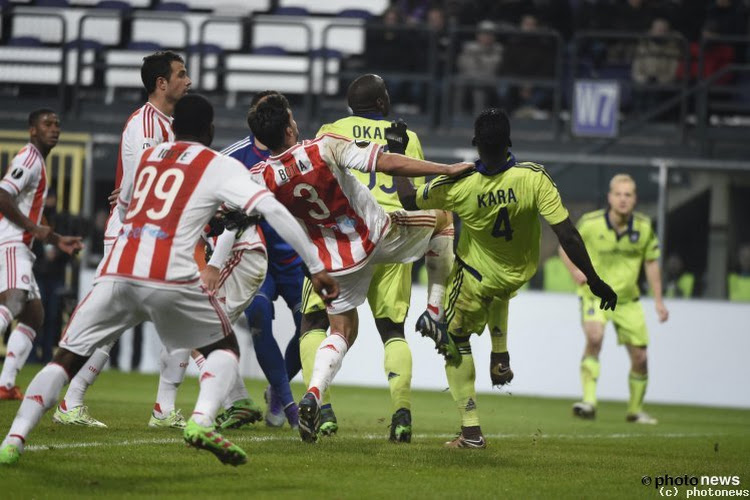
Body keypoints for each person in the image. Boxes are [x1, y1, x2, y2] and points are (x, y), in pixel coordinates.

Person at [0, 94, 337, 466]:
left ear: (173, 127)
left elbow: (123, 204)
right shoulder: (217, 164)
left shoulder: (148, 158)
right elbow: (270, 208)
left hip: (118, 269)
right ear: (209, 129)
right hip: (170, 275)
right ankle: (200, 420)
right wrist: (316, 264)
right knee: (224, 349)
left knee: (62, 360)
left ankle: (14, 439)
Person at [246, 94, 471, 443]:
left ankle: (314, 395)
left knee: (340, 330)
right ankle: (434, 310)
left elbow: (238, 205)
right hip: (379, 236)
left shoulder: (260, 175)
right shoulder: (324, 146)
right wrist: (447, 169)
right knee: (443, 220)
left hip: (334, 261)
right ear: (290, 127)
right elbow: (389, 165)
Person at [395, 108, 617, 448]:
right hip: (519, 273)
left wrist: (397, 154)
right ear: (510, 141)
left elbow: (409, 200)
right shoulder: (534, 178)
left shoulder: (461, 185)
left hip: (476, 276)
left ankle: (470, 432)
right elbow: (568, 235)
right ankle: (500, 355)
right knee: (498, 290)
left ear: (475, 144)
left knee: (453, 340)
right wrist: (594, 279)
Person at [297, 74, 454, 442]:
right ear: (383, 103)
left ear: (352, 106)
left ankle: (324, 411)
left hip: (342, 241)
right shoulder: (407, 136)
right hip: (393, 236)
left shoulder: (332, 129)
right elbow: (411, 192)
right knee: (392, 332)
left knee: (314, 324)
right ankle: (401, 416)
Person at [52, 51, 195, 429]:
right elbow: (140, 193)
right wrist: (131, 195)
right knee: (107, 323)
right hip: (131, 236)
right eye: (181, 75)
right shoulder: (145, 124)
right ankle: (68, 400)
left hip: (154, 236)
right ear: (161, 83)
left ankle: (163, 410)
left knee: (179, 318)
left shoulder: (171, 123)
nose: (188, 81)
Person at [209, 90, 304, 430]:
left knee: (309, 324)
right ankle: (289, 404)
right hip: (256, 253)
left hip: (294, 256)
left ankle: (277, 394)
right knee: (261, 316)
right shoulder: (233, 158)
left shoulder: (301, 152)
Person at [560, 173, 669, 424]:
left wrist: (659, 301)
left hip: (627, 301)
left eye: (627, 195)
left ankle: (635, 410)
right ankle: (588, 402)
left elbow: (651, 264)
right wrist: (575, 270)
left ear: (635, 199)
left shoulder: (643, 228)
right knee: (595, 337)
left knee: (640, 358)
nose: (622, 199)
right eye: (618, 194)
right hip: (594, 295)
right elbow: (565, 245)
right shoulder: (591, 223)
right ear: (609, 197)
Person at [0, 110, 84, 400]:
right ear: (32, 130)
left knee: (34, 316)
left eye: (58, 124)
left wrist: (57, 240)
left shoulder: (39, 162)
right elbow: (2, 194)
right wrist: (32, 228)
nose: (55, 129)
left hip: (20, 244)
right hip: (10, 242)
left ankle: (6, 385)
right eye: (47, 124)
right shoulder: (29, 159)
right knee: (13, 300)